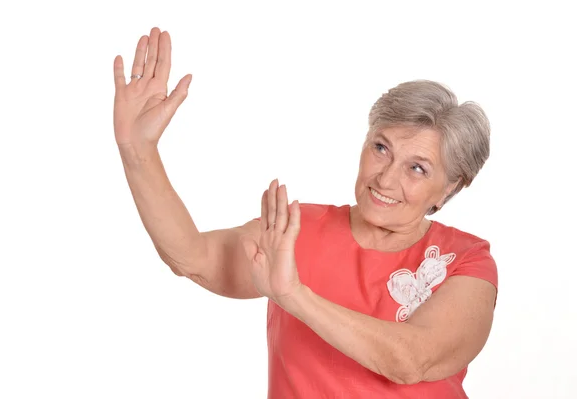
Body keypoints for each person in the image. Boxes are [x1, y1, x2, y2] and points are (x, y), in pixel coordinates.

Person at [113, 27, 498, 399]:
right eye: (381, 148)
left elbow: (411, 360)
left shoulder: (468, 260)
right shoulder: (296, 231)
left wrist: (293, 296)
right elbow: (192, 258)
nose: (386, 178)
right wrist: (138, 152)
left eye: (417, 168)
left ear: (450, 186)